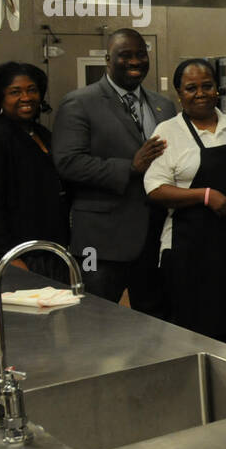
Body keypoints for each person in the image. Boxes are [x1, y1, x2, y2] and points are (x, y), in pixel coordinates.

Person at [52, 28, 175, 316]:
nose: (135, 61)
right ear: (108, 59)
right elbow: (68, 162)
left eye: (141, 55)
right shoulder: (79, 102)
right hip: (102, 243)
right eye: (125, 55)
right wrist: (129, 167)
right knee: (97, 324)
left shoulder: (163, 105)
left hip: (154, 238)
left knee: (156, 325)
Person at [144, 59, 226, 347]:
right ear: (179, 93)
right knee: (193, 333)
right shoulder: (167, 132)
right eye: (191, 88)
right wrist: (204, 195)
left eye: (207, 86)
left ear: (218, 89)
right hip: (188, 250)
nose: (200, 93)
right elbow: (154, 189)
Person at [0, 62, 69, 281]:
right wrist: (9, 257)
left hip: (47, 252)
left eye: (31, 90)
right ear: (0, 98)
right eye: (15, 92)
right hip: (12, 255)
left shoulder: (43, 134)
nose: (26, 97)